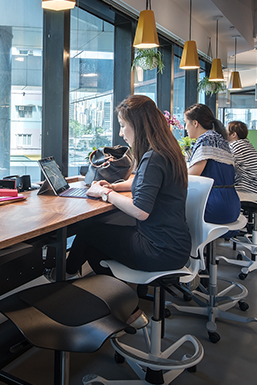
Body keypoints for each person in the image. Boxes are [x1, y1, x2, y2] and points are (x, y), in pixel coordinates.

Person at [64, 95, 193, 278]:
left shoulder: (152, 158)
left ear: (138, 125)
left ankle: (62, 276)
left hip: (158, 250)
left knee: (88, 232)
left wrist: (105, 193)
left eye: (123, 125)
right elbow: (149, 183)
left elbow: (141, 211)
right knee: (95, 246)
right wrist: (115, 187)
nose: (120, 133)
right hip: (175, 246)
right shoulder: (167, 151)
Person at [184, 104, 241, 224]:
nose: (185, 128)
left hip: (215, 206)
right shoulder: (220, 139)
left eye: (186, 123)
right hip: (232, 205)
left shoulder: (206, 140)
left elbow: (191, 177)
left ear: (195, 123)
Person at [227, 121, 257, 202]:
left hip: (251, 191)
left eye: (226, 130)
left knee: (218, 195)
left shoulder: (236, 146)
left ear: (233, 134)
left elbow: (228, 167)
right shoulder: (246, 144)